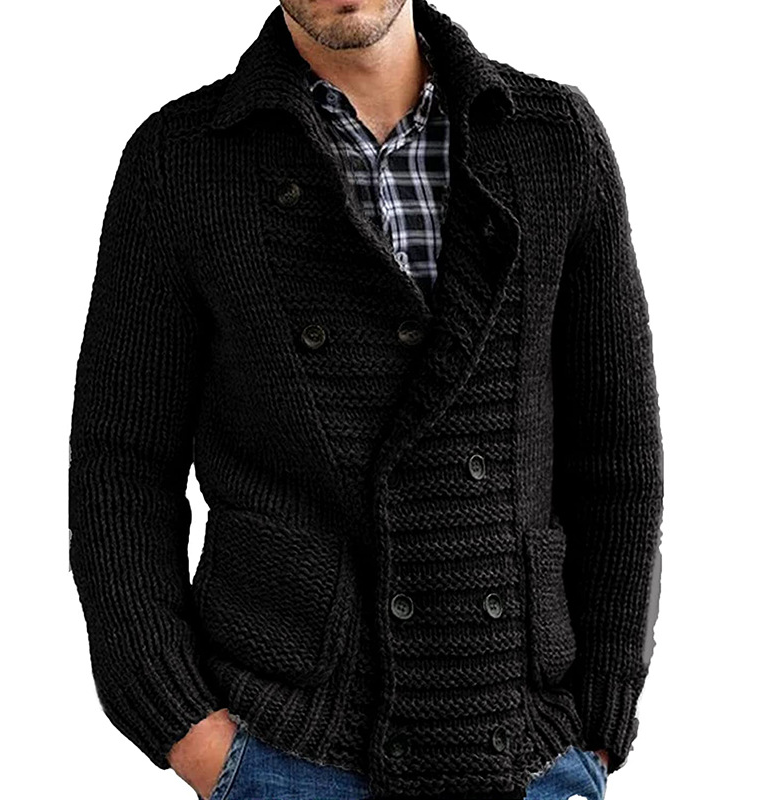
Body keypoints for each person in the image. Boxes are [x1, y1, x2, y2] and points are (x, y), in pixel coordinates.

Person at [68, 0, 664, 798]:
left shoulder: (552, 140)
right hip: (288, 747)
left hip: (530, 745)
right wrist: (184, 725)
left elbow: (618, 456)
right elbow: (122, 462)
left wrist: (603, 718)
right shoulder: (182, 160)